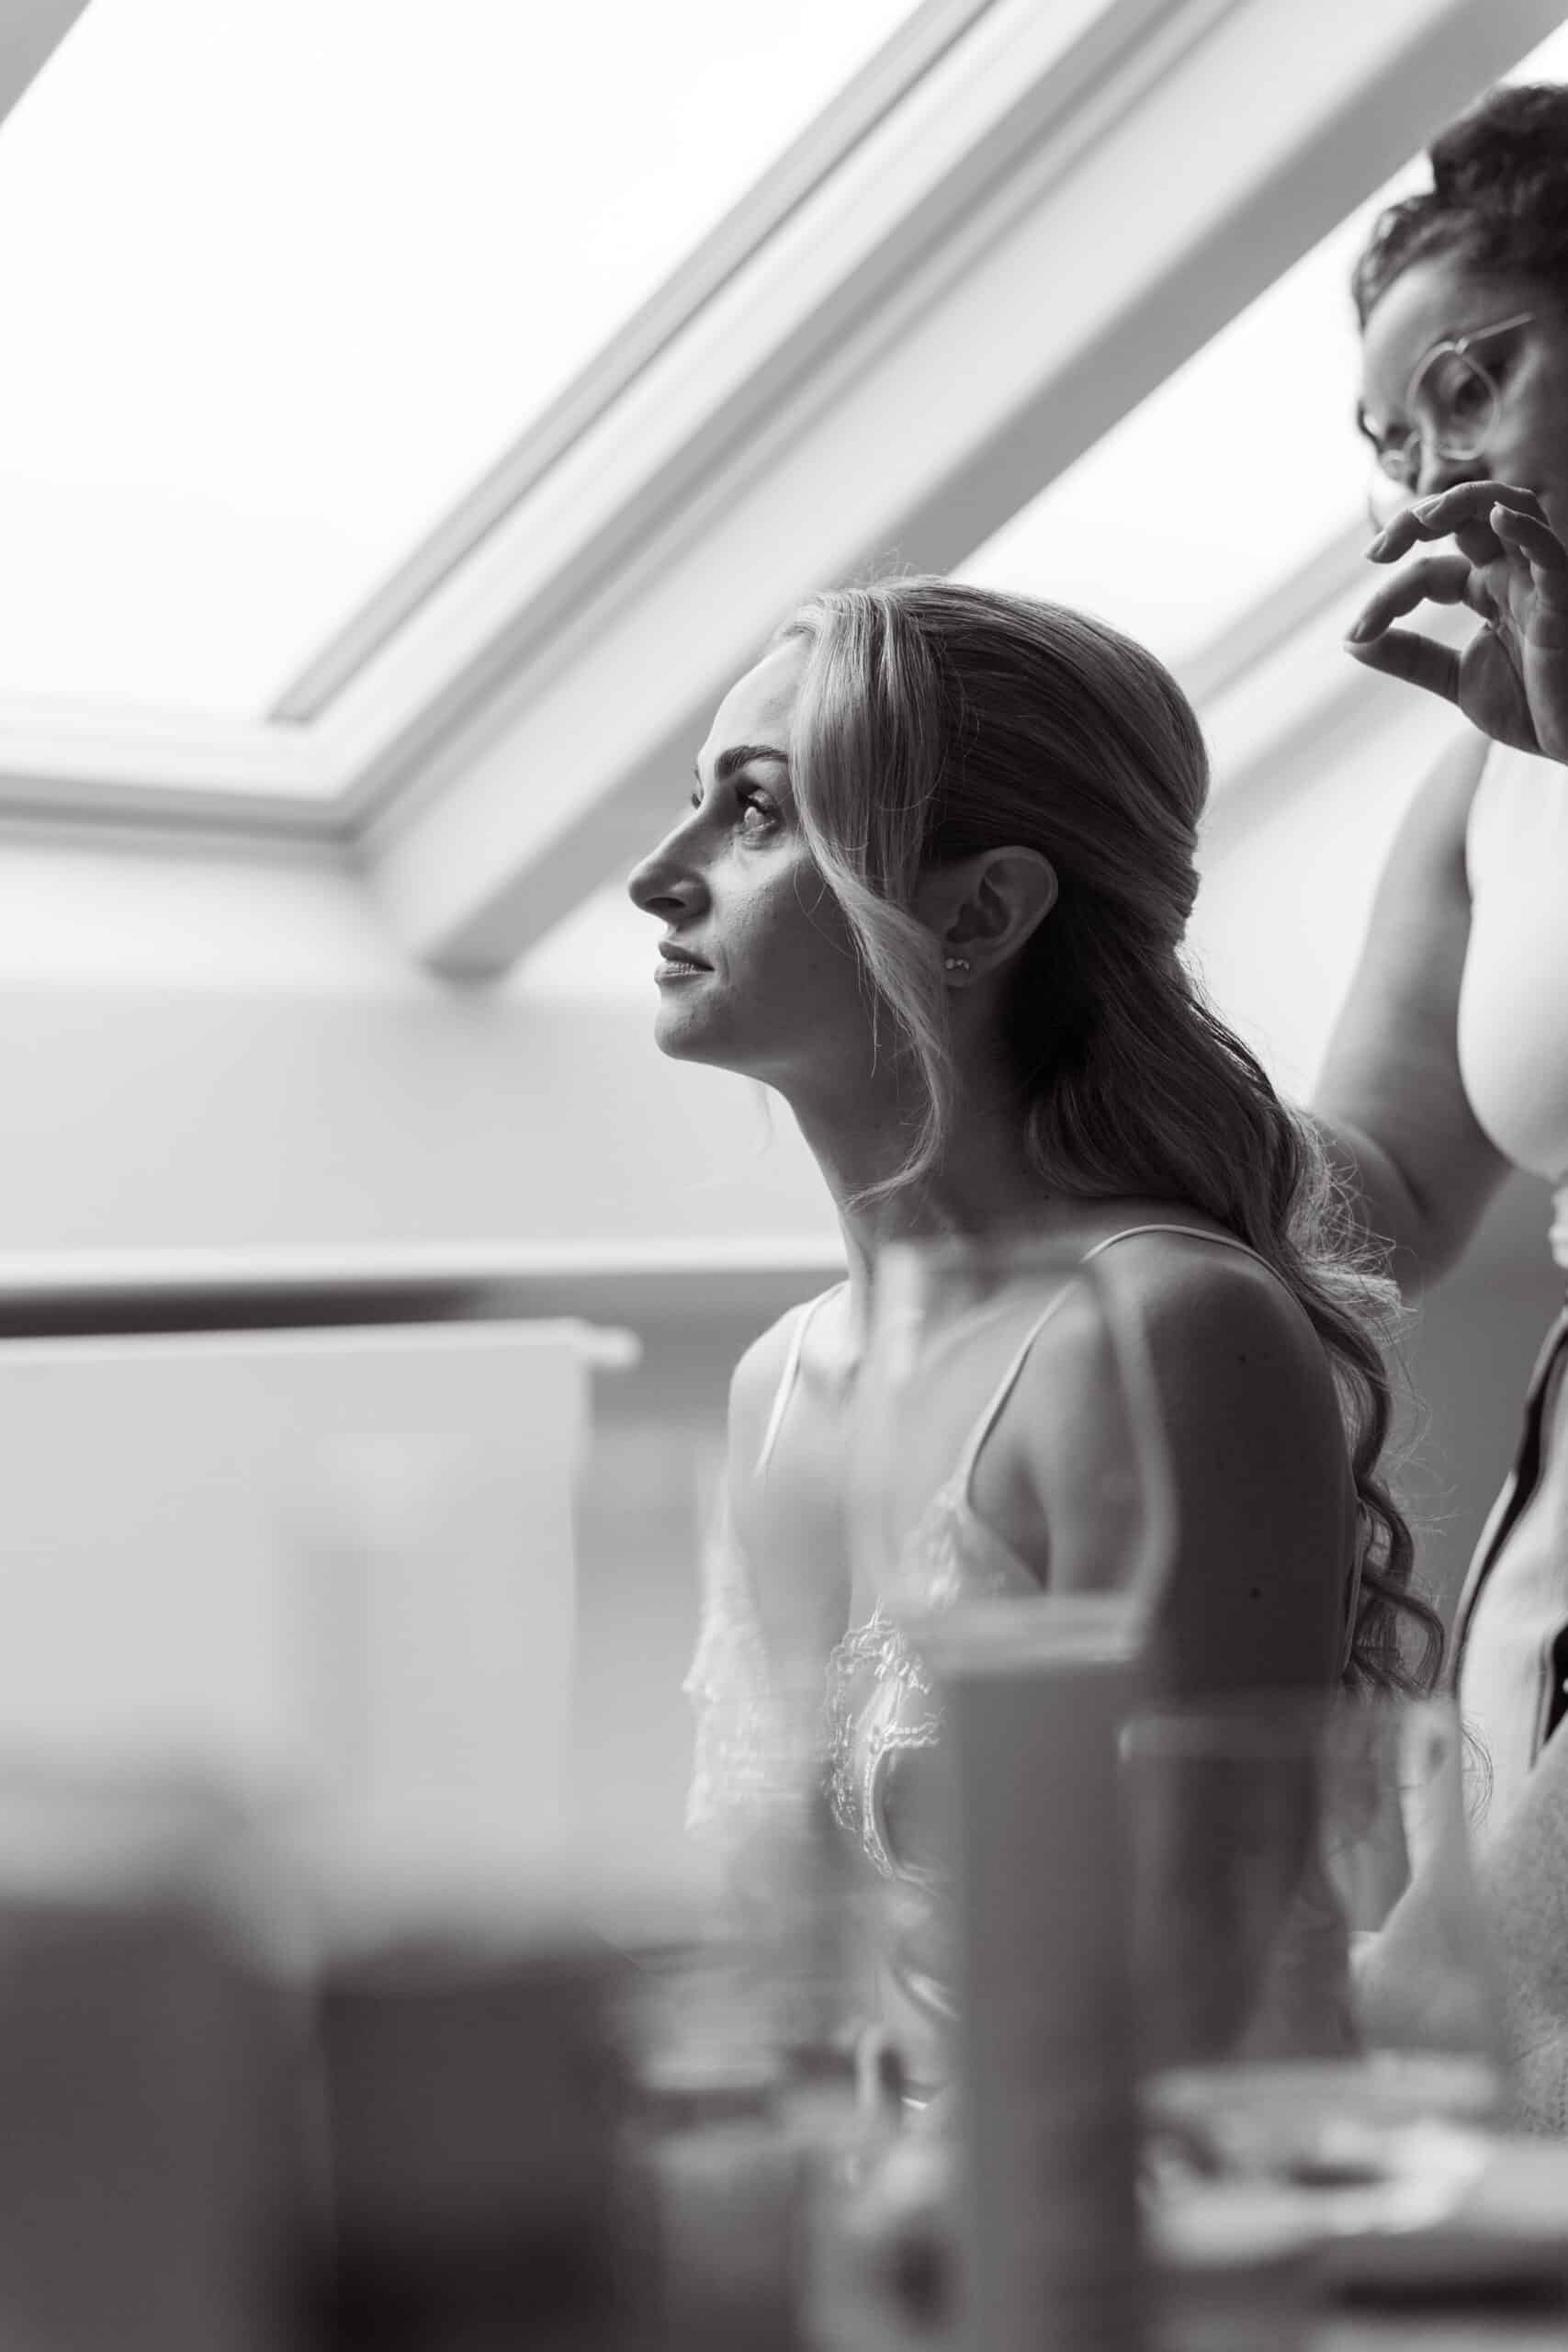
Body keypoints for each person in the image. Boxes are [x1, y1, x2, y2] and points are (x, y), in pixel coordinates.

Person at [627, 576, 1438, 2079]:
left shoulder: (1165, 1334)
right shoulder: (776, 1384)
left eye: (755, 814)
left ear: (983, 910)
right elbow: (780, 1952)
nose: (655, 879)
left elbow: (1201, 2000)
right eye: (697, 805)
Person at [1326, 81, 1568, 1836]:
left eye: (1467, 385)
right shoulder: (1481, 777)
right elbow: (1381, 1193)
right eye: (1391, 439)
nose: (1427, 471)